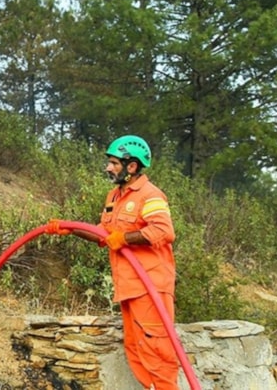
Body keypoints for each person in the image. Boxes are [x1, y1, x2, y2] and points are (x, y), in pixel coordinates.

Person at [46, 135, 179, 390]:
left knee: (157, 351)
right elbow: (104, 234)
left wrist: (125, 238)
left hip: (151, 286)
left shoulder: (150, 195)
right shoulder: (114, 196)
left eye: (114, 163)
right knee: (135, 350)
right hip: (129, 287)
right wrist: (70, 228)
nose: (108, 168)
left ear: (132, 166)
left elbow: (164, 231)